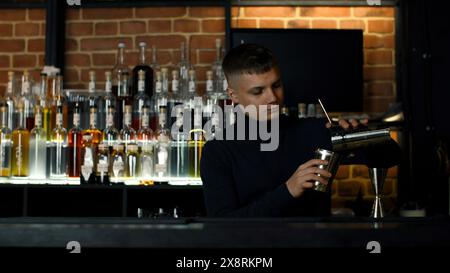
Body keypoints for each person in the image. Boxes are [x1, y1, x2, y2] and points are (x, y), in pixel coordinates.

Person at [200, 43, 372, 217]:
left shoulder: (314, 131)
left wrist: (364, 136)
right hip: (254, 244)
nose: (272, 98)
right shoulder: (217, 151)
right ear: (233, 95)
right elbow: (222, 225)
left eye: (276, 85)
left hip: (316, 243)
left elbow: (388, 158)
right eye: (258, 91)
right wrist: (288, 191)